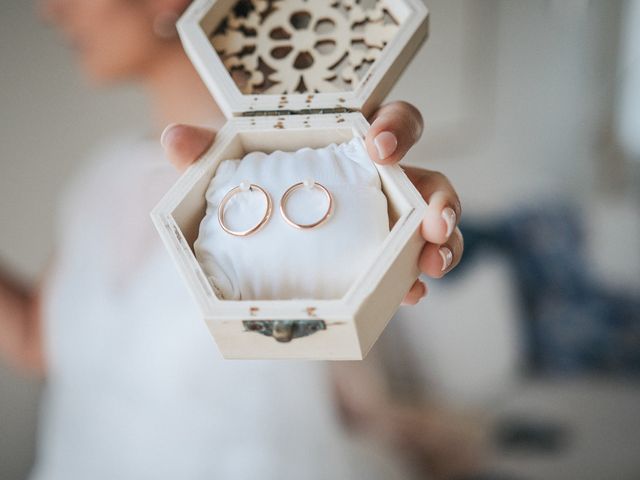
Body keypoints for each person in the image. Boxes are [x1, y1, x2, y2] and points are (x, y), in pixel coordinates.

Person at [0, 0, 466, 478]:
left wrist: (374, 216)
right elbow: (41, 340)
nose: (47, 10)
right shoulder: (100, 177)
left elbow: (370, 387)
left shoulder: (325, 168)